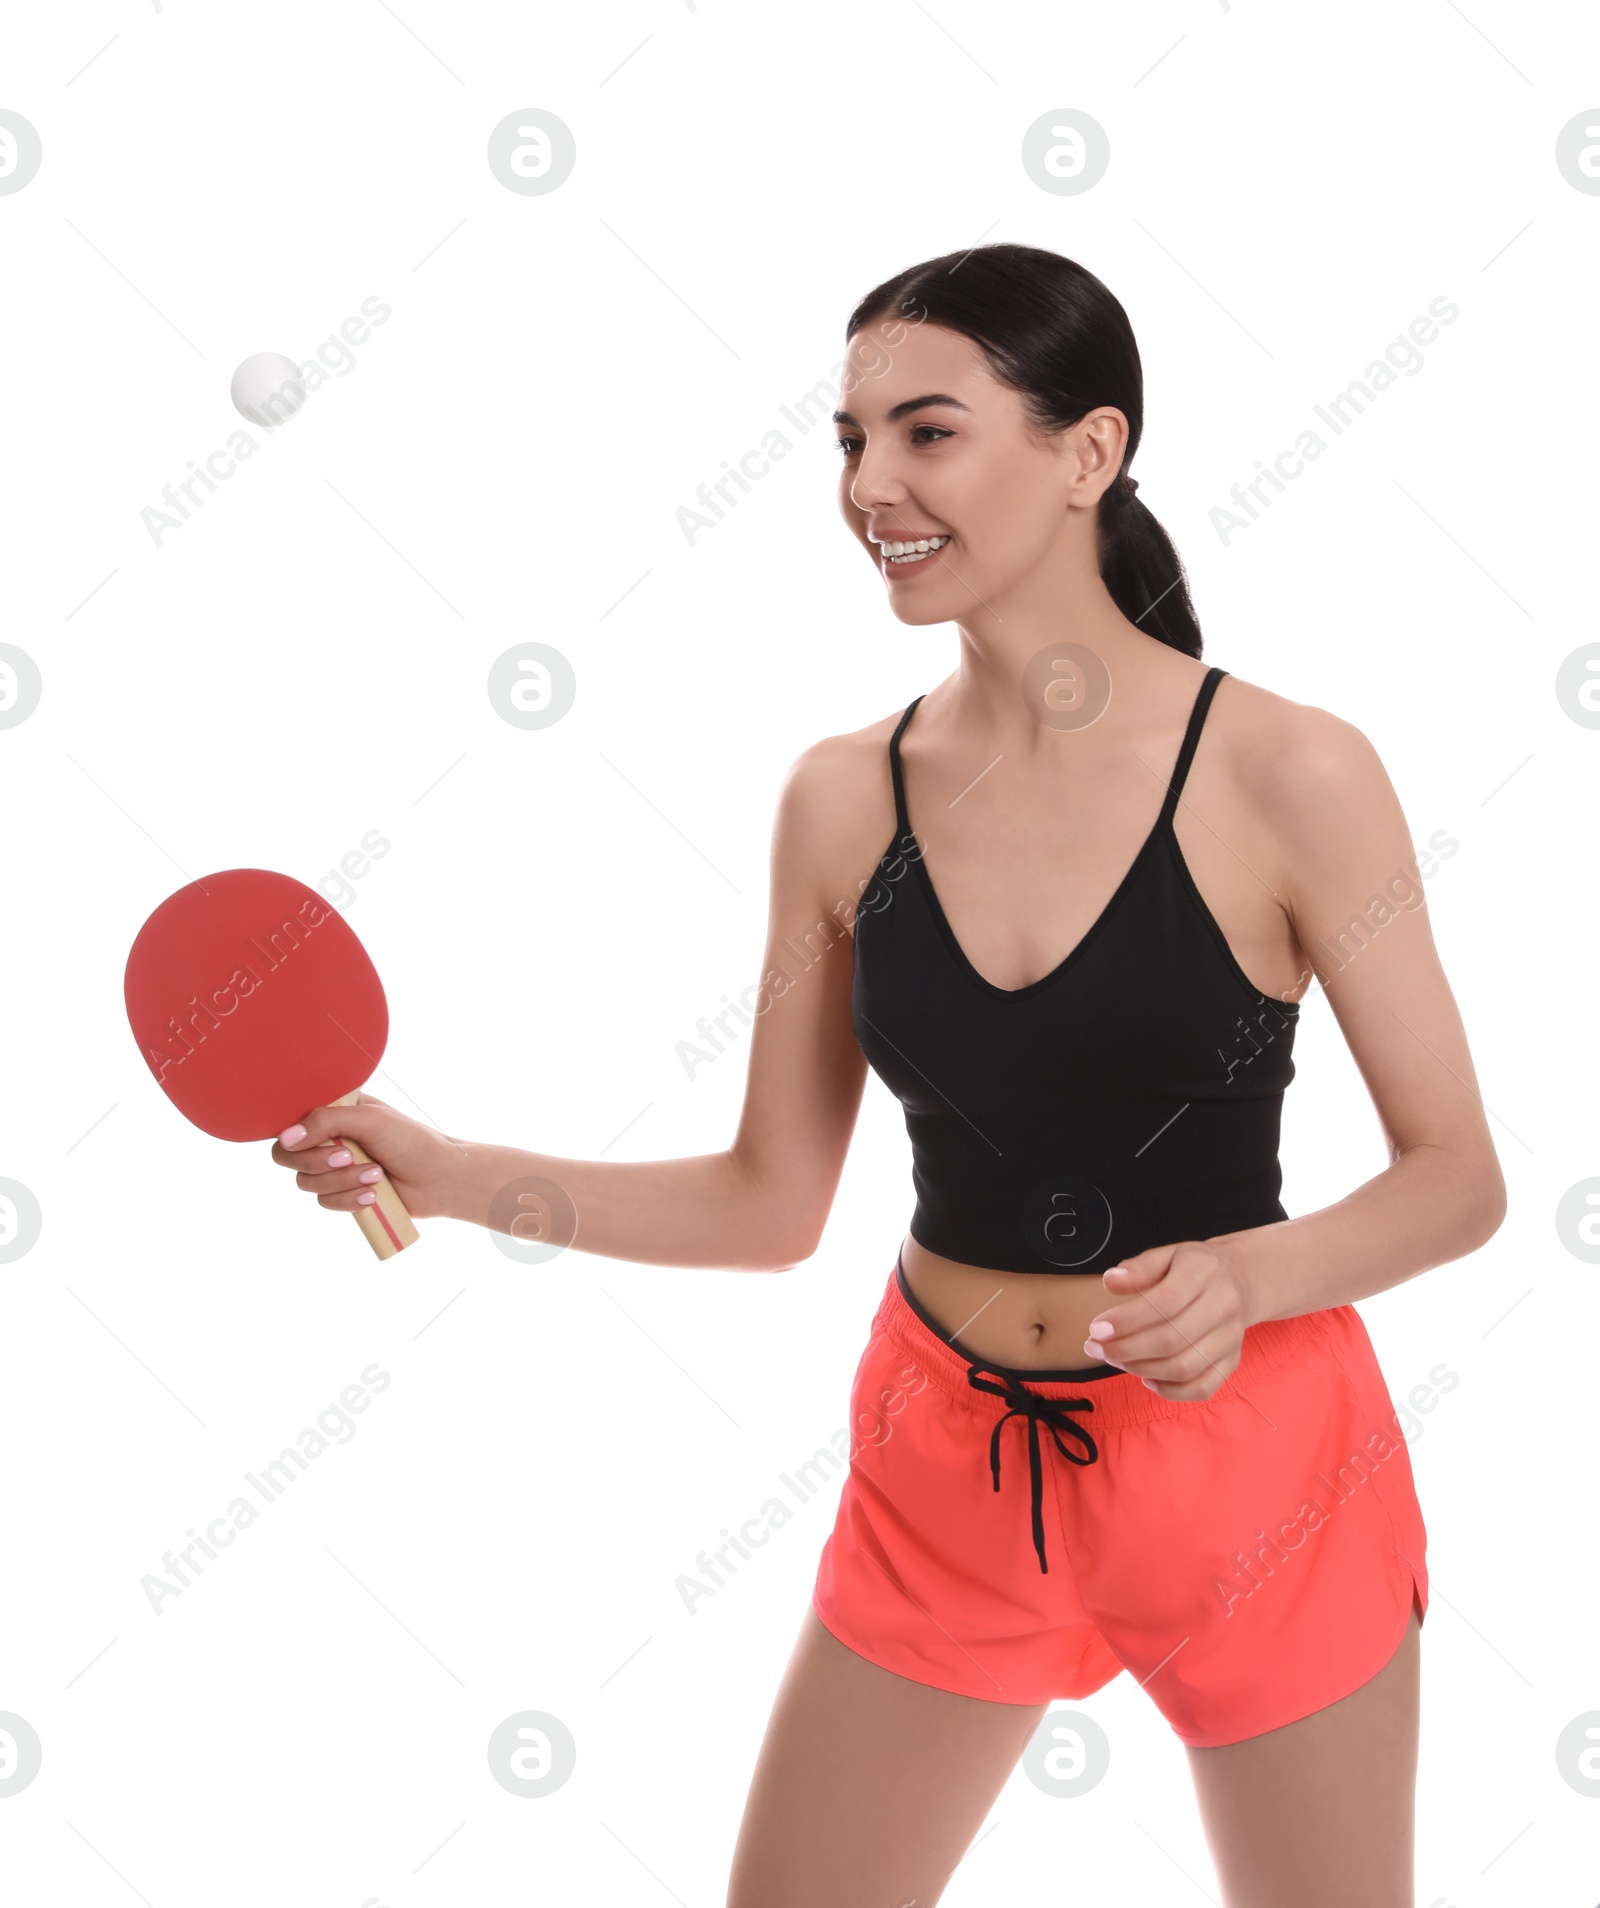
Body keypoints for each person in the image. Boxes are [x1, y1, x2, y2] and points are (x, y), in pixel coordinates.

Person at [272, 243, 1506, 1907]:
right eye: (848, 441)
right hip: (946, 1465)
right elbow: (772, 1200)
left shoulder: (1291, 769)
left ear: (1090, 453)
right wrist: (446, 1166)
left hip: (1257, 1471)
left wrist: (1244, 1276)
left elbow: (1459, 1177)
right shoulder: (842, 800)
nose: (870, 486)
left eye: (927, 433)